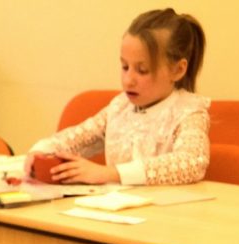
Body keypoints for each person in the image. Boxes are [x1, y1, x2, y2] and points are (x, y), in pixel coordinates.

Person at [27, 8, 208, 185]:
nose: (128, 80)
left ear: (177, 70)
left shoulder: (189, 112)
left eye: (142, 70)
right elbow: (75, 139)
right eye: (125, 67)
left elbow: (192, 162)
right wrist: (40, 152)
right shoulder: (119, 108)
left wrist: (110, 173)